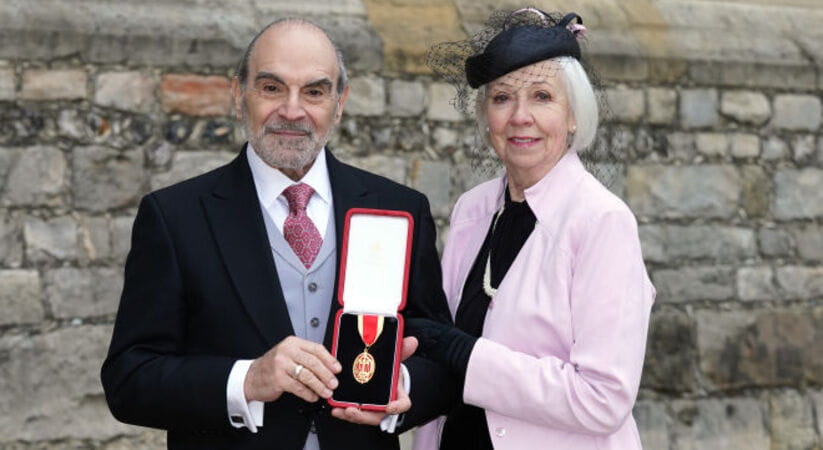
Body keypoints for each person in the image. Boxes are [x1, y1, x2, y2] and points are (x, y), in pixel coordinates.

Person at [101, 18, 452, 449]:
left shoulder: (399, 209)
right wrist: (246, 379)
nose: (291, 110)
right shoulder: (175, 217)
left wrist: (399, 384)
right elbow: (129, 379)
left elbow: (440, 355)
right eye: (271, 88)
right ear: (238, 95)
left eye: (314, 91)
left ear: (339, 102)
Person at [408, 8, 656, 450]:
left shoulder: (602, 221)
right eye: (502, 98)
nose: (520, 116)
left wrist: (465, 353)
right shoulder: (473, 209)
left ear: (574, 115)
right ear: (488, 119)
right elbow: (438, 351)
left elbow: (602, 399)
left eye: (542, 96)